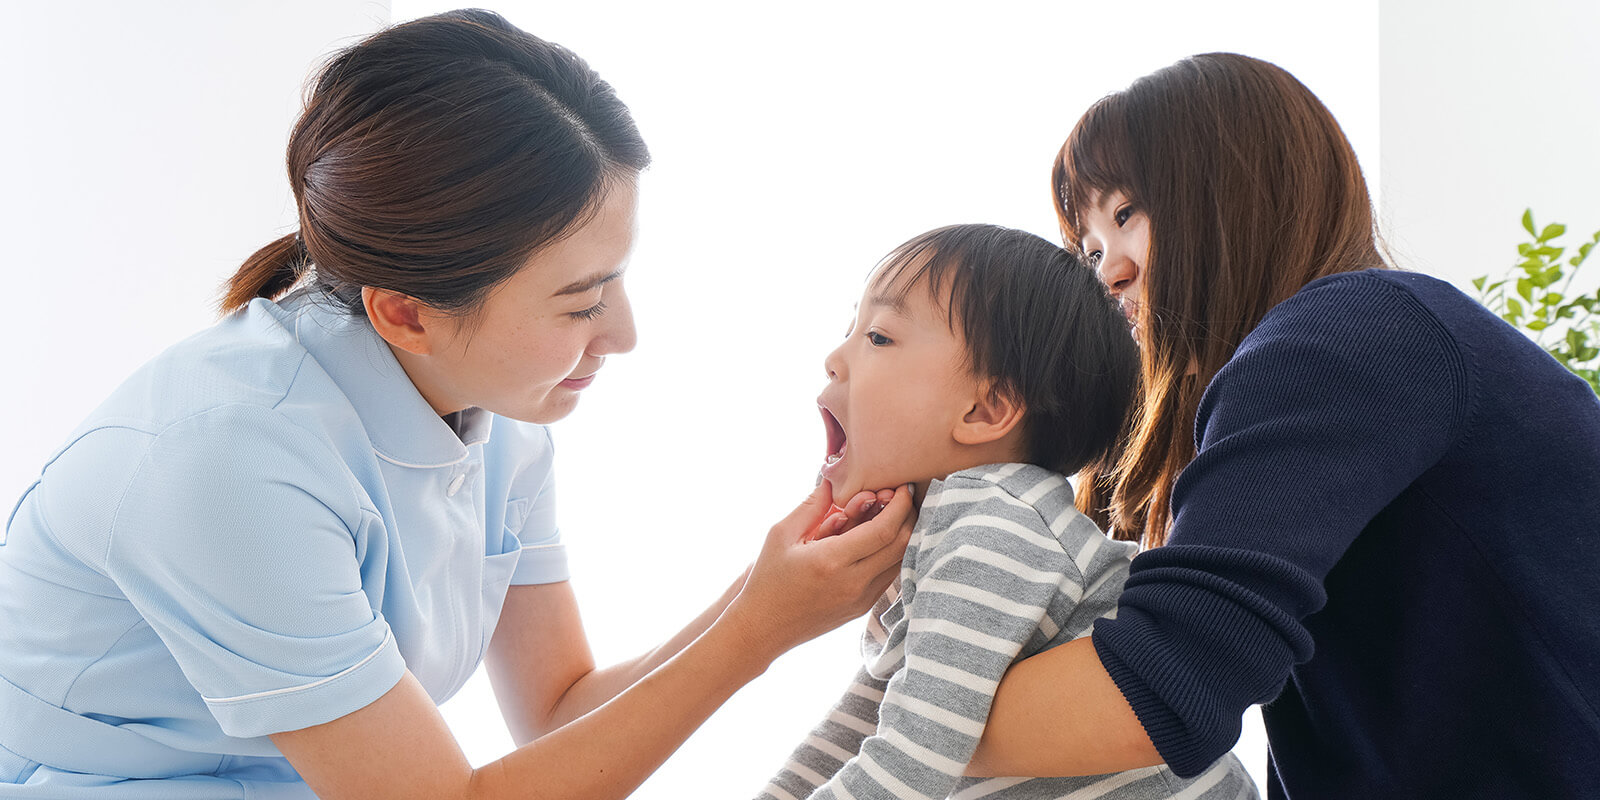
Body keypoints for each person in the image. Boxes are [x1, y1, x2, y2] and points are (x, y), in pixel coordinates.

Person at [0, 10, 916, 800]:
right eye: (581, 302)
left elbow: (558, 712)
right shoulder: (228, 461)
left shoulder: (499, 412)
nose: (625, 334)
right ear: (406, 314)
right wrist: (759, 632)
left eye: (616, 280)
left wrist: (766, 590)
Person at [960, 53, 1600, 798]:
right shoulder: (1332, 353)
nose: (1107, 273)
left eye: (1127, 213)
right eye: (1090, 247)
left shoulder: (1348, 330)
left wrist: (899, 727)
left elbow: (1161, 685)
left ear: (1235, 188)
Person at [754, 224, 1258, 800]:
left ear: (986, 410)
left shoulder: (994, 523)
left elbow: (912, 759)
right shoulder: (933, 532)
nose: (833, 359)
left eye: (878, 337)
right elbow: (862, 720)